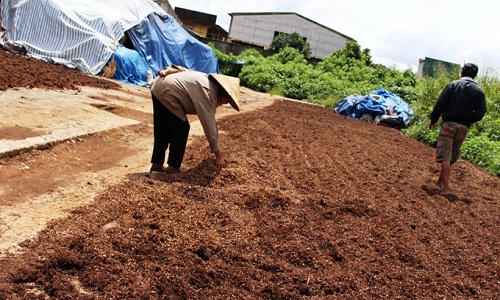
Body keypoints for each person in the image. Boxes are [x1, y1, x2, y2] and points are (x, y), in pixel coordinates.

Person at [149, 65, 241, 174]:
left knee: (163, 128)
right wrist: (218, 154)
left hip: (158, 86)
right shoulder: (208, 93)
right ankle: (173, 167)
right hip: (168, 92)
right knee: (181, 128)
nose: (226, 103)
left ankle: (156, 165)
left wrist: (170, 70)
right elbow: (209, 125)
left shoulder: (204, 78)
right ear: (224, 93)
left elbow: (184, 70)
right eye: (228, 100)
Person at [428, 63, 487, 194]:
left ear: (462, 72)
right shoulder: (479, 91)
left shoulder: (453, 85)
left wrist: (433, 119)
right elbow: (481, 112)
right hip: (463, 127)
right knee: (452, 155)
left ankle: (446, 188)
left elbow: (440, 104)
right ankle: (439, 182)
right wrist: (469, 120)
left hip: (449, 124)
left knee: (445, 155)